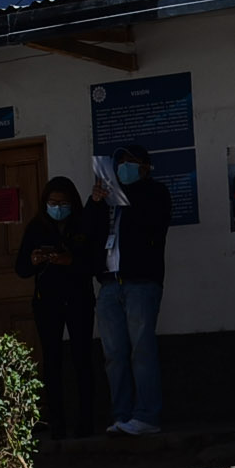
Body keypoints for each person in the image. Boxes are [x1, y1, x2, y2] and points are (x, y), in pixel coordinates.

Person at [90, 143, 170, 436]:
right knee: (114, 355)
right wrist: (96, 202)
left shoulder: (155, 193)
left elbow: (154, 226)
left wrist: (126, 196)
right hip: (110, 284)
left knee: (142, 351)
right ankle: (121, 416)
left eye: (130, 162)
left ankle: (147, 416)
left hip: (141, 283)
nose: (124, 167)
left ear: (145, 167)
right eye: (120, 163)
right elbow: (89, 232)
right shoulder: (107, 200)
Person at [14, 177, 102, 438]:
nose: (58, 207)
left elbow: (95, 263)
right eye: (53, 202)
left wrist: (70, 261)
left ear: (72, 203)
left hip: (79, 299)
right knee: (52, 361)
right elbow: (21, 269)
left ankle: (86, 422)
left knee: (82, 359)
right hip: (47, 302)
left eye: (63, 203)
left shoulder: (83, 224)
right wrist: (34, 260)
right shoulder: (37, 227)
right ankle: (57, 423)